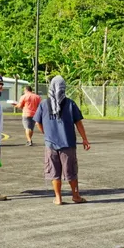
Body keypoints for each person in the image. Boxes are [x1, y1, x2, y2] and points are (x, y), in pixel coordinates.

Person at [33, 76, 90, 205]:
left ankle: (58, 198)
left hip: (50, 144)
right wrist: (85, 139)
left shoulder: (44, 104)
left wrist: (46, 133)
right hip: (67, 143)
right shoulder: (70, 103)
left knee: (54, 172)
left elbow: (37, 122)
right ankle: (75, 196)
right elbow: (78, 123)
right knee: (71, 171)